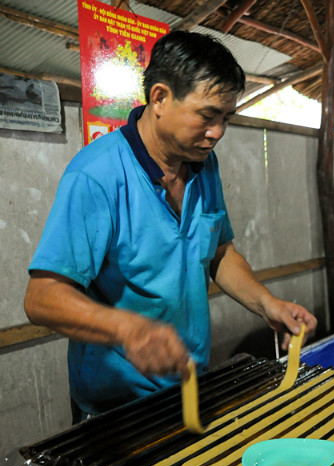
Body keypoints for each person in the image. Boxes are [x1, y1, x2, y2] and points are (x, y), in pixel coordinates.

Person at [24, 31, 317, 420]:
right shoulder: (97, 175)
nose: (218, 132)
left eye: (226, 118)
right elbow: (42, 296)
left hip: (189, 386)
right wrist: (126, 329)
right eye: (207, 115)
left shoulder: (203, 165)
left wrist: (267, 303)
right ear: (160, 98)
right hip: (116, 407)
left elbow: (219, 252)